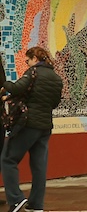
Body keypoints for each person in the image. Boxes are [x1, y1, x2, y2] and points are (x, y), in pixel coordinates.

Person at [2, 45, 64, 212]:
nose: (27, 64)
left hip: (28, 125)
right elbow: (55, 103)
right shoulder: (57, 78)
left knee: (8, 159)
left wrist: (3, 84)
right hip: (45, 126)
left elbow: (16, 88)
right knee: (39, 166)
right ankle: (36, 204)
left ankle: (16, 199)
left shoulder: (33, 73)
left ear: (35, 59)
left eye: (28, 60)